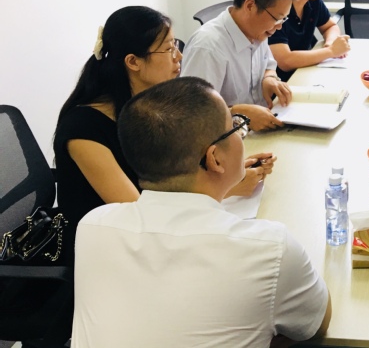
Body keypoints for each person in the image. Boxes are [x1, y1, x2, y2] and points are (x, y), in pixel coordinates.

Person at [71, 77, 331, 347]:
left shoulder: (93, 227)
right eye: (236, 127)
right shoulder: (270, 247)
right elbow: (316, 325)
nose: (241, 134)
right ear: (215, 158)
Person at [54, 6, 273, 260]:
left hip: (151, 237)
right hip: (107, 250)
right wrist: (226, 188)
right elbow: (140, 214)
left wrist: (225, 172)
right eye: (169, 49)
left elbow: (171, 177)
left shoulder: (146, 110)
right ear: (133, 62)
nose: (179, 56)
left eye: (176, 45)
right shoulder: (83, 131)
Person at [181, 0, 296, 131]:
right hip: (227, 136)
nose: (279, 27)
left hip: (262, 126)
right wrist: (239, 114)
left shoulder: (258, 31)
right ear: (250, 6)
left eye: (284, 19)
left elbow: (268, 65)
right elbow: (192, 113)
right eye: (277, 18)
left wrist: (269, 78)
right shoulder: (207, 47)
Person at [269, 0, 350, 81]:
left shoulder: (313, 1)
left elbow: (330, 26)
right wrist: (331, 51)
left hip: (306, 70)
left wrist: (330, 43)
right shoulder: (275, 8)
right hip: (282, 81)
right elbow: (285, 61)